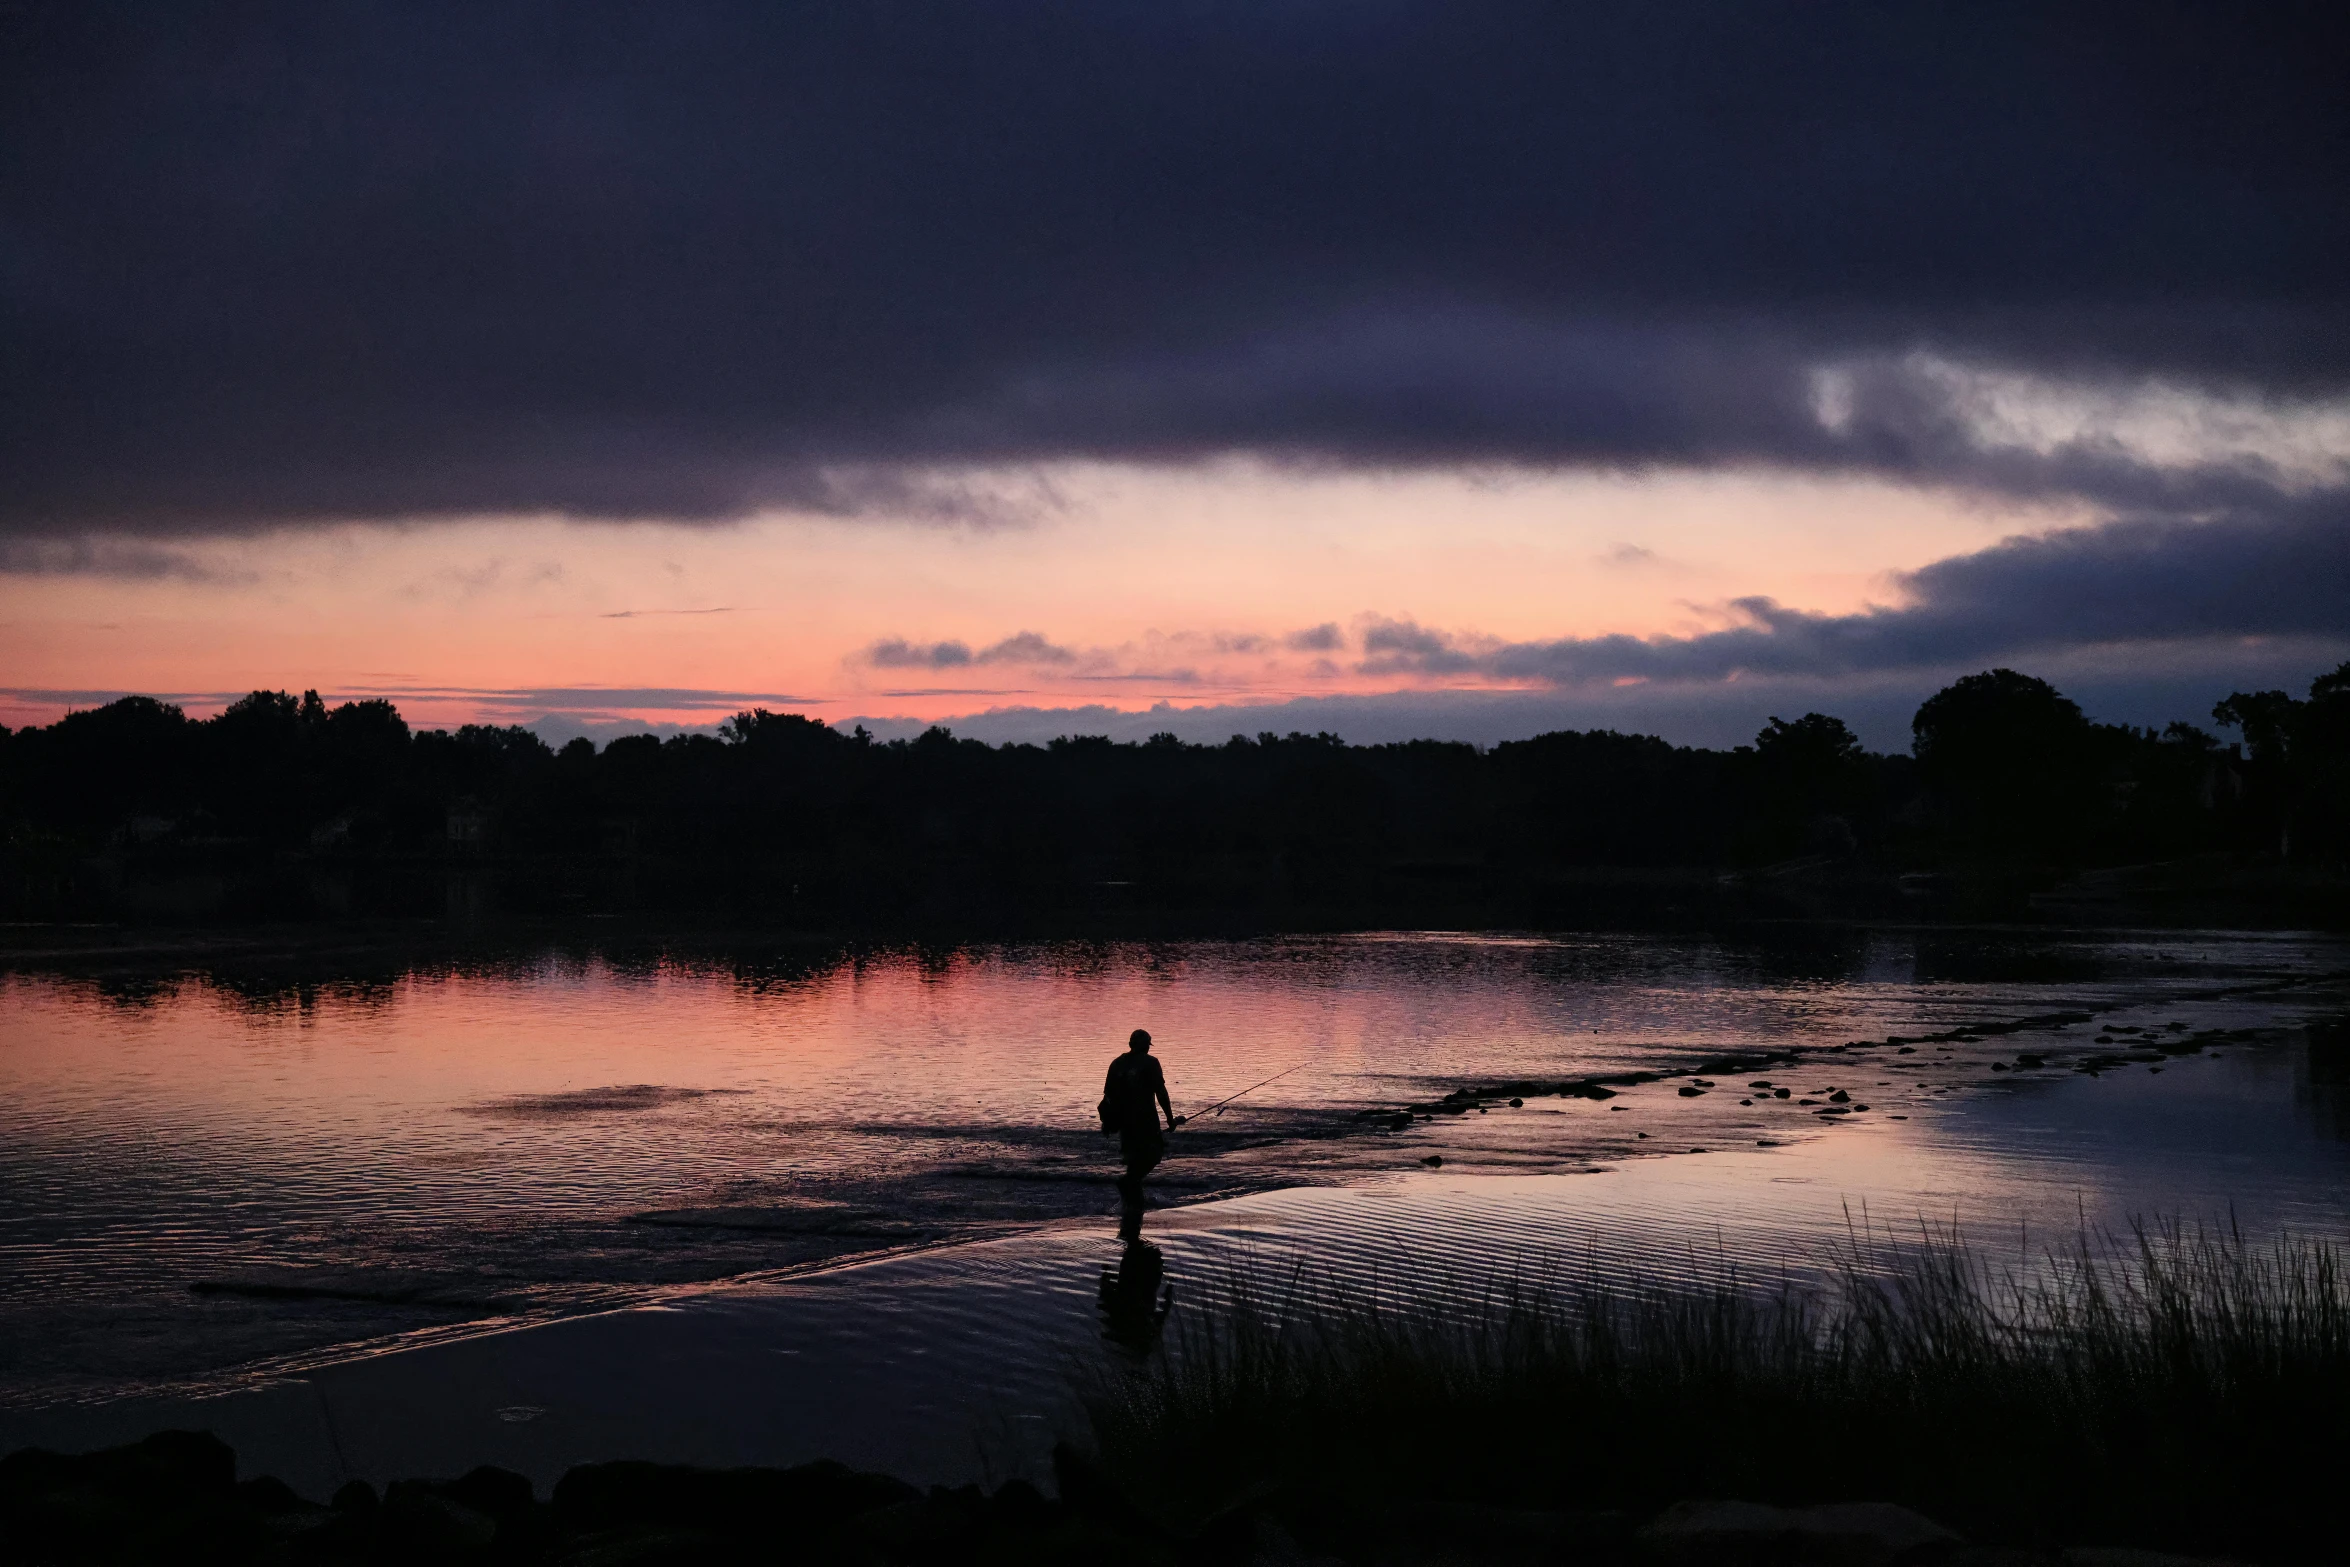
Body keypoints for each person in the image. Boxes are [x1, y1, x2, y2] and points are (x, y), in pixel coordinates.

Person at [1101, 1028, 1183, 1203]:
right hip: (1145, 1120)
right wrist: (1170, 1118)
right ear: (1146, 1046)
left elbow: (1108, 1096)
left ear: (1131, 1044)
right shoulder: (1150, 1063)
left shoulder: (1117, 1063)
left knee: (1133, 1159)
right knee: (1153, 1154)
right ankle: (1129, 1187)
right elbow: (1160, 1092)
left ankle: (1132, 1204)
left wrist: (1108, 1122)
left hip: (1124, 1122)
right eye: (1148, 1045)